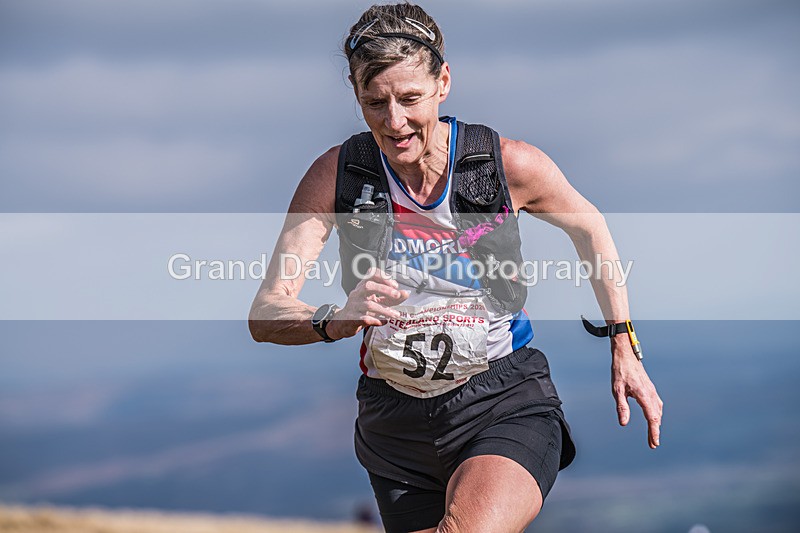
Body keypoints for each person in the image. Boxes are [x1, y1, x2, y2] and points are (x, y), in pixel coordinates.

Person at [249, 3, 663, 532]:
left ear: (443, 81)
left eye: (410, 98)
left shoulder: (504, 164)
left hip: (501, 399)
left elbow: (591, 228)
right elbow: (265, 312)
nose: (394, 122)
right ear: (356, 94)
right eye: (375, 102)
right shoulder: (339, 175)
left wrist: (623, 341)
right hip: (393, 424)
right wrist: (335, 320)